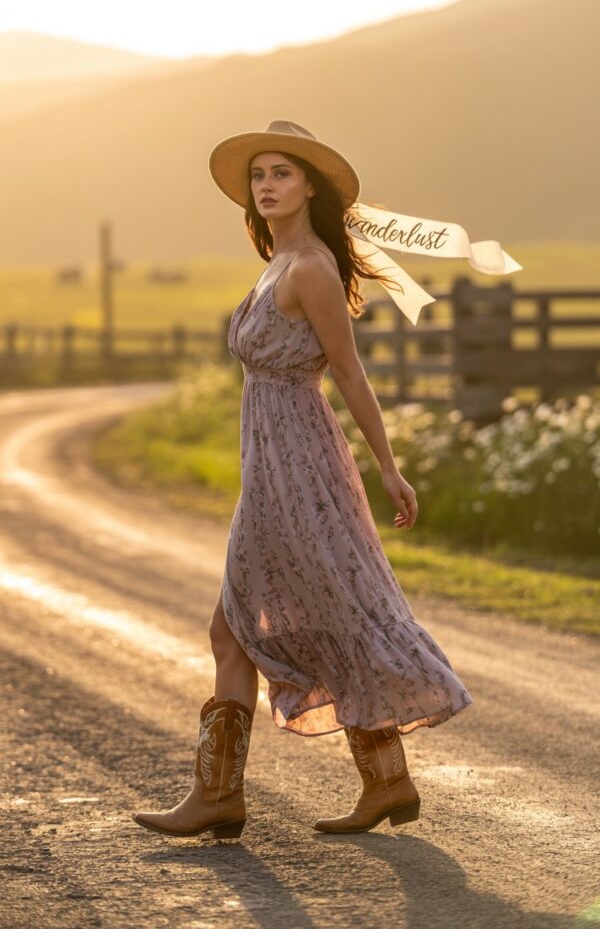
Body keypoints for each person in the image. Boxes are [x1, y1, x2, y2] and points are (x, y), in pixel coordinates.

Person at [132, 119, 473, 840]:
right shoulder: (277, 264)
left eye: (281, 173)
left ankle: (220, 797)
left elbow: (348, 372)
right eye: (259, 177)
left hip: (298, 466)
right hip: (271, 463)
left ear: (309, 186)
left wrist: (388, 466)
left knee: (236, 626)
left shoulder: (311, 266)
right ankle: (386, 780)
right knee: (321, 612)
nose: (267, 186)